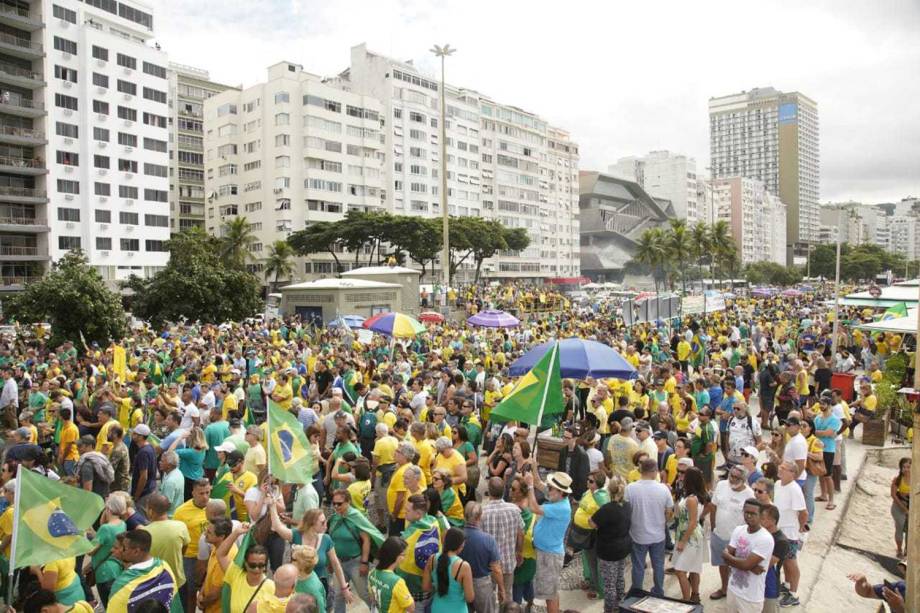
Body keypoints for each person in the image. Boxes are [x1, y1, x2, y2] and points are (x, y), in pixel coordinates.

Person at [522, 467, 572, 613]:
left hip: (549, 556)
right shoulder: (557, 497)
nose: (548, 490)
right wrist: (534, 467)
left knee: (549, 596)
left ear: (560, 492)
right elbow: (539, 483)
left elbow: (534, 507)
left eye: (550, 488)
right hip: (548, 553)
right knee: (552, 592)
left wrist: (530, 486)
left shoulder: (562, 507)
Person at [623, 457, 672, 597]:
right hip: (658, 535)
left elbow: (626, 511)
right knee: (658, 565)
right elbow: (669, 513)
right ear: (654, 471)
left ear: (641, 470)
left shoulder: (630, 488)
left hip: (637, 534)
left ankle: (637, 592)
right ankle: (659, 591)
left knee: (638, 566)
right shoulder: (663, 489)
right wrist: (662, 521)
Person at [708, 465, 754, 601]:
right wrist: (713, 527)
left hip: (737, 540)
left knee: (737, 567)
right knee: (722, 564)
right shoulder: (721, 485)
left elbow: (751, 519)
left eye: (736, 477)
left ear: (744, 479)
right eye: (731, 476)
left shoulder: (749, 495)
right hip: (719, 534)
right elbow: (713, 506)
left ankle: (737, 593)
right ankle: (724, 589)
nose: (732, 479)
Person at [108, 529, 179, 612]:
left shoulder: (122, 585)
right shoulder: (165, 567)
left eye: (124, 548)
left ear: (136, 551)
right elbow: (174, 601)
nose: (120, 550)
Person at [589, 474, 631, 612]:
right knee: (619, 579)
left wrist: (590, 518)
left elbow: (592, 523)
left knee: (609, 584)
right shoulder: (628, 506)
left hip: (608, 551)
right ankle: (620, 606)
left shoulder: (607, 509)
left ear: (609, 490)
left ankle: (609, 609)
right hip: (623, 547)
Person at [723, 499, 774, 613]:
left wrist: (745, 565)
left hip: (751, 598)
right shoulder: (738, 530)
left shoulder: (765, 539)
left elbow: (742, 563)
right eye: (746, 512)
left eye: (753, 513)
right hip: (733, 590)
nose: (749, 516)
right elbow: (724, 556)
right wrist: (751, 567)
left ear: (761, 516)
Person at [480, 477, 523, 605]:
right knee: (507, 594)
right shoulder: (514, 510)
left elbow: (480, 538)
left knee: (490, 596)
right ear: (504, 491)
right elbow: (521, 533)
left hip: (490, 565)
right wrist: (519, 552)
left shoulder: (482, 512)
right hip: (509, 561)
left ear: (489, 491)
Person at [142, 493, 191, 604]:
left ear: (151, 511)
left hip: (154, 584)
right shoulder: (180, 526)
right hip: (178, 581)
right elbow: (184, 548)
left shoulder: (144, 532)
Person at [217, 522, 276, 612]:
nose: (256, 569)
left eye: (261, 565)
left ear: (265, 566)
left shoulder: (272, 587)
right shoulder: (236, 575)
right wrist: (236, 533)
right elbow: (220, 554)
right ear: (245, 564)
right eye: (253, 565)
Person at [173, 478, 211, 612]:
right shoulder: (181, 512)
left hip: (211, 556)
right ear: (193, 493)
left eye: (207, 492)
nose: (205, 497)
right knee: (190, 591)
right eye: (201, 493)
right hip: (191, 557)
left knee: (210, 591)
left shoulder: (214, 506)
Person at [86, 492, 128, 607]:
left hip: (104, 572)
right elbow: (106, 541)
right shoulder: (122, 524)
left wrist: (83, 538)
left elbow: (90, 551)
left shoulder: (105, 528)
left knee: (108, 605)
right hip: (116, 568)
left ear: (108, 509)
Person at [572, 470, 609, 599]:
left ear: (598, 483)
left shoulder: (602, 498)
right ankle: (590, 580)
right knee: (587, 559)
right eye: (587, 479)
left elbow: (604, 516)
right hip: (583, 532)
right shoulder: (588, 492)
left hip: (593, 534)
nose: (587, 482)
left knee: (594, 562)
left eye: (591, 481)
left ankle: (598, 588)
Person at [673, 466, 707, 604]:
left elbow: (692, 522)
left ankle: (686, 601)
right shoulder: (694, 495)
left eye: (684, 475)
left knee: (680, 570)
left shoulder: (691, 499)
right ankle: (694, 595)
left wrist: (683, 541)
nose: (681, 476)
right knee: (694, 567)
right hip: (689, 534)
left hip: (689, 537)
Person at [423, 527, 475, 613]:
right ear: (460, 546)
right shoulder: (463, 566)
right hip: (457, 609)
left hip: (437, 608)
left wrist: (438, 586)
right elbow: (469, 598)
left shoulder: (432, 559)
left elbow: (425, 587)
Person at [369, 536, 415, 613]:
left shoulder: (372, 573)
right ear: (394, 556)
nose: (404, 558)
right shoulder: (397, 582)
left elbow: (372, 598)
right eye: (403, 555)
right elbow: (411, 608)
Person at [197, 519, 234, 613]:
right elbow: (208, 575)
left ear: (221, 536)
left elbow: (215, 594)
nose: (205, 534)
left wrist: (202, 603)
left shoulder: (224, 560)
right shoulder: (217, 547)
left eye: (209, 532)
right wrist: (201, 593)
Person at [813, 396, 842, 511]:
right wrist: (822, 433)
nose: (821, 406)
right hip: (818, 448)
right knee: (821, 473)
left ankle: (831, 500)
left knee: (828, 475)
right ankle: (823, 495)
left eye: (823, 404)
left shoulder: (834, 419)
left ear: (829, 405)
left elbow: (828, 433)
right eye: (820, 403)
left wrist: (819, 432)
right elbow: (819, 432)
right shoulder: (817, 418)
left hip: (828, 449)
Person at [759, 504, 789, 613]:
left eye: (763, 518)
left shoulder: (781, 541)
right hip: (756, 585)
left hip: (769, 587)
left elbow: (765, 565)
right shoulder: (759, 534)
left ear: (773, 520)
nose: (759, 520)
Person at [291, 545, 327, 613]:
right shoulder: (302, 575)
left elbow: (321, 610)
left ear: (301, 565)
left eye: (293, 559)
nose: (290, 561)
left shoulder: (313, 589)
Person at [557, 425, 589, 500]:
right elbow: (560, 470)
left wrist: (577, 497)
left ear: (575, 438)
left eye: (568, 438)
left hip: (574, 491)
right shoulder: (563, 451)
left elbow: (583, 478)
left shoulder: (582, 455)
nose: (564, 440)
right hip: (563, 488)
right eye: (564, 437)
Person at [891, 457, 911, 559]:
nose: (906, 469)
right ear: (901, 468)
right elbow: (893, 495)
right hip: (898, 507)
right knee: (900, 528)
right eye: (904, 467)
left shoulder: (916, 479)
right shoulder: (897, 479)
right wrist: (904, 508)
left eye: (908, 467)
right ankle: (899, 550)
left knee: (910, 530)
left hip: (911, 507)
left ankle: (907, 551)